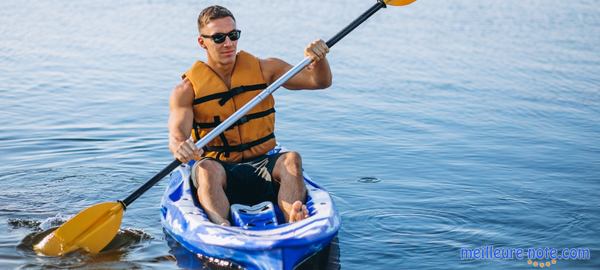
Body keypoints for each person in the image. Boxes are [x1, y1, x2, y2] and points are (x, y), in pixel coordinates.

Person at [168, 5, 332, 226]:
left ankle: (293, 220)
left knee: (292, 159)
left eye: (233, 35)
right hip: (220, 168)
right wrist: (180, 146)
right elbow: (177, 135)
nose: (228, 43)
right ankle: (221, 226)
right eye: (218, 37)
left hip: (264, 162)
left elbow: (318, 81)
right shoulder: (187, 90)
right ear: (202, 42)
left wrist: (318, 60)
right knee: (206, 169)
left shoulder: (266, 69)